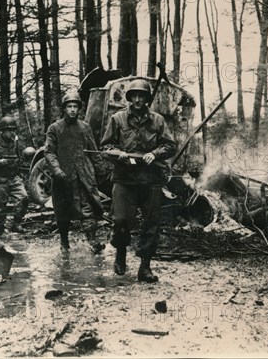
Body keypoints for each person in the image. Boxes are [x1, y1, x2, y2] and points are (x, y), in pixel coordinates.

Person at [100, 79, 175, 283]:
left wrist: (155, 153)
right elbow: (105, 147)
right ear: (130, 98)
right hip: (125, 178)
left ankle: (145, 267)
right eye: (135, 96)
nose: (138, 100)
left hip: (151, 180)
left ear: (147, 99)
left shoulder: (158, 121)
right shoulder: (118, 119)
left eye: (142, 96)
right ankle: (121, 251)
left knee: (151, 223)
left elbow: (170, 146)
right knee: (121, 220)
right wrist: (119, 154)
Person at [44, 91, 107, 254]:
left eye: (75, 106)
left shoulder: (85, 127)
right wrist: (57, 169)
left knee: (88, 209)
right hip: (63, 178)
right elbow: (49, 152)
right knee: (63, 212)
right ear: (64, 109)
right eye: (69, 106)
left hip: (83, 176)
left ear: (79, 109)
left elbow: (93, 150)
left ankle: (93, 241)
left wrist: (101, 172)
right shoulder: (54, 128)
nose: (72, 110)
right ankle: (64, 242)